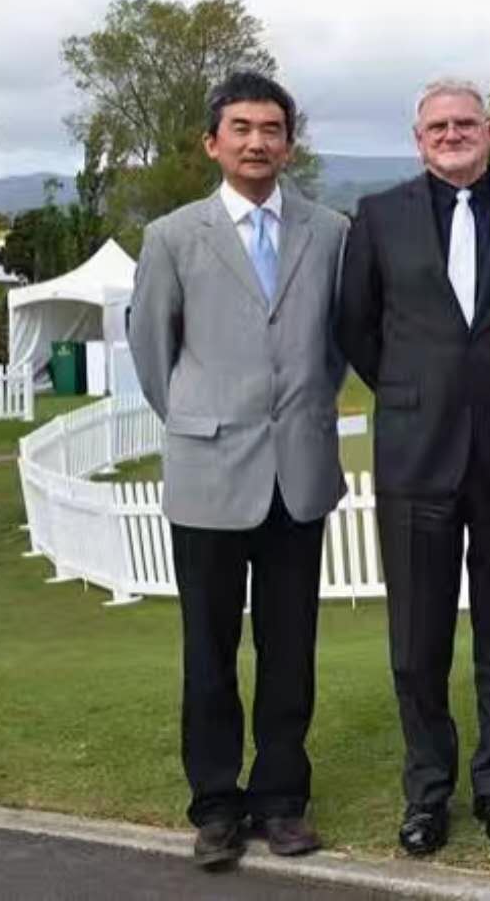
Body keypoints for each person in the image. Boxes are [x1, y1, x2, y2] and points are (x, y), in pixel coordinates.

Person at [338, 79, 490, 855]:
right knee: (418, 640)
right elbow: (356, 326)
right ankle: (428, 792)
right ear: (418, 139)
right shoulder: (378, 216)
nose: (452, 133)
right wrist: (413, 390)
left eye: (466, 122)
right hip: (416, 453)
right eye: (437, 125)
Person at [128, 71, 348, 869]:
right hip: (208, 473)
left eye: (272, 129)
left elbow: (336, 346)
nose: (258, 142)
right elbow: (153, 354)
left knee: (290, 652)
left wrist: (302, 414)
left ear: (290, 143)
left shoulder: (332, 231)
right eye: (242, 128)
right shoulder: (171, 237)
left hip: (299, 472)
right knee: (209, 653)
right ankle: (217, 806)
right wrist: (200, 419)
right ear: (212, 142)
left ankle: (283, 800)